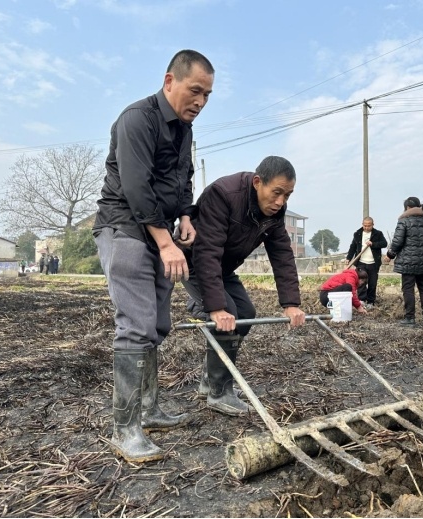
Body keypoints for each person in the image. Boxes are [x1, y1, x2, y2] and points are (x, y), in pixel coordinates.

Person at [92, 49, 214, 462]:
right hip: (125, 228)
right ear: (169, 82)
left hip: (159, 230)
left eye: (207, 96)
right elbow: (136, 185)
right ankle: (124, 429)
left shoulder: (183, 130)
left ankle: (149, 408)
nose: (200, 101)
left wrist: (185, 215)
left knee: (158, 323)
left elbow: (183, 178)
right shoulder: (136, 119)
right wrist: (164, 242)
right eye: (195, 91)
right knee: (137, 324)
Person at [182, 156, 307, 417]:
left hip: (224, 268)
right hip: (196, 263)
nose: (281, 201)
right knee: (227, 314)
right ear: (257, 182)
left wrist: (291, 303)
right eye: (276, 193)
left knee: (246, 316)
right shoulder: (224, 194)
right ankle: (220, 392)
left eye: (288, 195)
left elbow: (282, 254)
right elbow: (207, 251)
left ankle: (212, 380)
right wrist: (216, 307)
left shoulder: (275, 211)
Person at [383, 197, 423, 326]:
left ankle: (410, 317)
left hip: (408, 261)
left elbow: (397, 242)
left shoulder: (404, 221)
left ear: (407, 208)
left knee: (408, 289)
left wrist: (389, 255)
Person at [345, 217, 388, 309]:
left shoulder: (378, 234)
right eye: (365, 225)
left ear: (373, 225)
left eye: (369, 226)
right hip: (361, 263)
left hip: (373, 263)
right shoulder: (357, 234)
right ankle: (362, 300)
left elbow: (384, 243)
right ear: (362, 224)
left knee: (372, 283)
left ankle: (371, 302)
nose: (367, 227)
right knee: (361, 283)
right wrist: (348, 258)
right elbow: (353, 247)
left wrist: (373, 244)